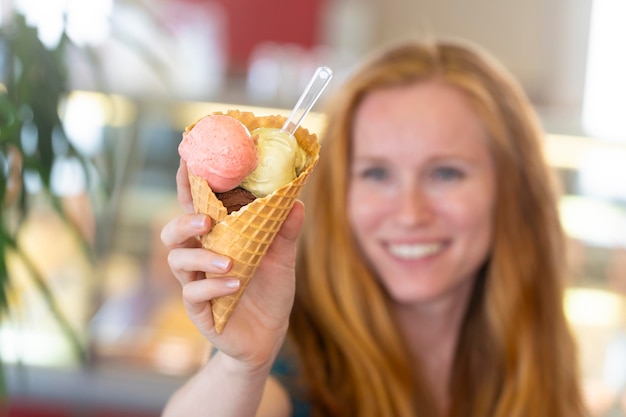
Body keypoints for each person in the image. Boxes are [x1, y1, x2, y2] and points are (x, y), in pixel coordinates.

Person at [159, 38, 587, 417]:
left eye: (446, 174)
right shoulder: (292, 350)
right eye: (376, 174)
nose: (409, 213)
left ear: (513, 189)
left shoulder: (538, 352)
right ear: (340, 193)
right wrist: (241, 368)